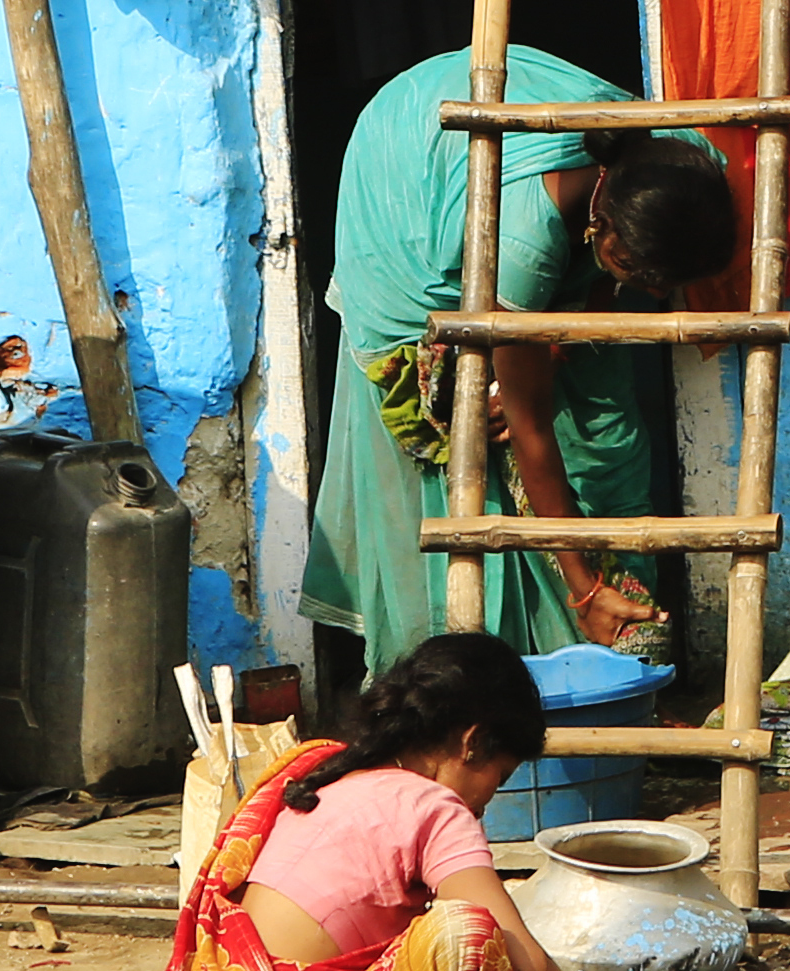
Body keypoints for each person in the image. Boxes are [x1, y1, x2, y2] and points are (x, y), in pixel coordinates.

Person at [303, 43, 744, 672]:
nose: (650, 294)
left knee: (606, 435)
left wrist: (575, 323)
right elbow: (532, 429)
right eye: (635, 272)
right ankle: (513, 657)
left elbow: (614, 294)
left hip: (504, 188)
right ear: (603, 227)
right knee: (486, 435)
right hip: (407, 190)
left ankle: (623, 654)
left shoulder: (681, 168)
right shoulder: (519, 243)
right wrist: (581, 584)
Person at [152, 630, 600, 971]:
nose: (488, 800)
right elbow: (530, 969)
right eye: (498, 777)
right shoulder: (434, 806)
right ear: (473, 743)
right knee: (469, 936)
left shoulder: (326, 775)